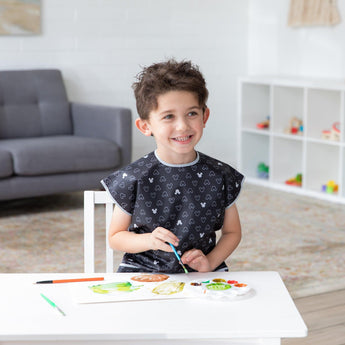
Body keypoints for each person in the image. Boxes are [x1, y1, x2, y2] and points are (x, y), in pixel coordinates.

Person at [101, 59, 244, 273]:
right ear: (145, 126)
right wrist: (149, 240)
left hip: (202, 272)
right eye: (168, 116)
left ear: (205, 116)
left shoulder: (221, 175)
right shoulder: (133, 178)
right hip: (143, 272)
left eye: (192, 113)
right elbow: (115, 237)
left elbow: (232, 233)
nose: (182, 126)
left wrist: (210, 262)